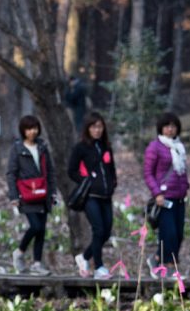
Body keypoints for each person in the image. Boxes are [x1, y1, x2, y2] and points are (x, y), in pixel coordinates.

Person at [68, 111, 117, 279]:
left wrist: (112, 184)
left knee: (106, 232)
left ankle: (84, 257)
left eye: (100, 126)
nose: (97, 130)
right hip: (90, 196)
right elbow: (71, 171)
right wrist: (86, 180)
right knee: (98, 229)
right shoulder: (80, 147)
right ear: (88, 128)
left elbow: (111, 170)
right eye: (94, 127)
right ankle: (99, 267)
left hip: (106, 196)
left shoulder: (106, 147)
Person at [7, 114, 56, 276]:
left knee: (41, 230)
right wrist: (13, 196)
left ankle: (37, 263)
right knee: (35, 226)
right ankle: (19, 252)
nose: (32, 132)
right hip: (26, 194)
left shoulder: (42, 147)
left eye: (34, 128)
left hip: (43, 193)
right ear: (23, 131)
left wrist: (53, 192)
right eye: (28, 129)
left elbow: (50, 171)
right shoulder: (17, 149)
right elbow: (11, 173)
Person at [144, 111, 189, 278]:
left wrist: (186, 188)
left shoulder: (178, 147)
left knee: (178, 234)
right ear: (161, 128)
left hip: (179, 197)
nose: (170, 129)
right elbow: (148, 173)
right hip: (164, 198)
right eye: (167, 126)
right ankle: (170, 268)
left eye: (173, 126)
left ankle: (156, 259)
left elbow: (182, 173)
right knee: (168, 233)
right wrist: (157, 193)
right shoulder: (154, 147)